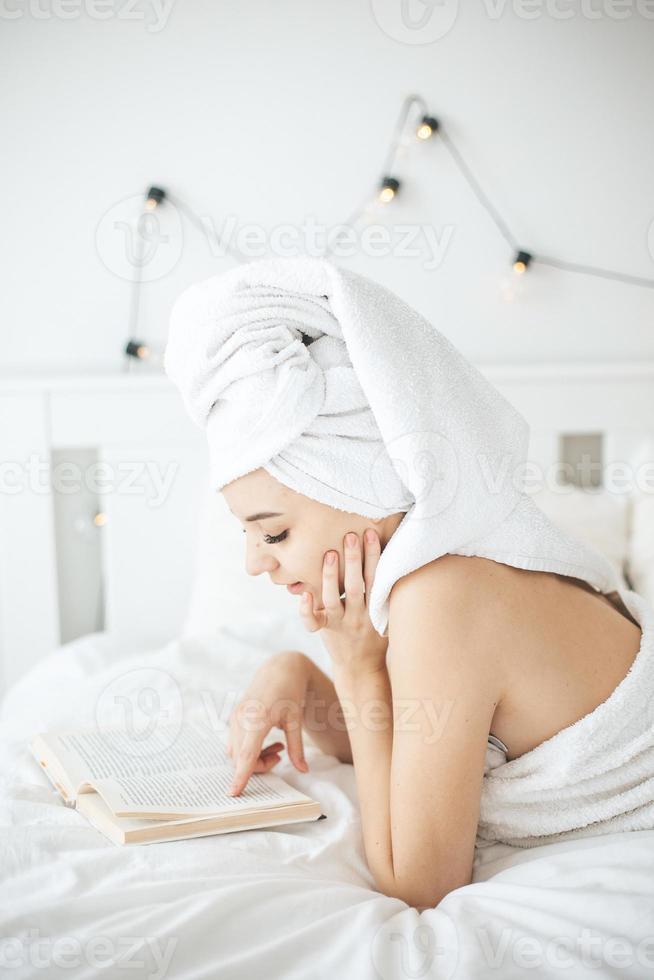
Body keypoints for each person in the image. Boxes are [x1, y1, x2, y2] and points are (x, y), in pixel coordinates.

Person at [164, 256, 652, 907]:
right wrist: (301, 679)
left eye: (274, 531)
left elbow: (419, 882)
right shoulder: (442, 572)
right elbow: (419, 737)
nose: (256, 562)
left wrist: (358, 666)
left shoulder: (446, 595)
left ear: (361, 482)